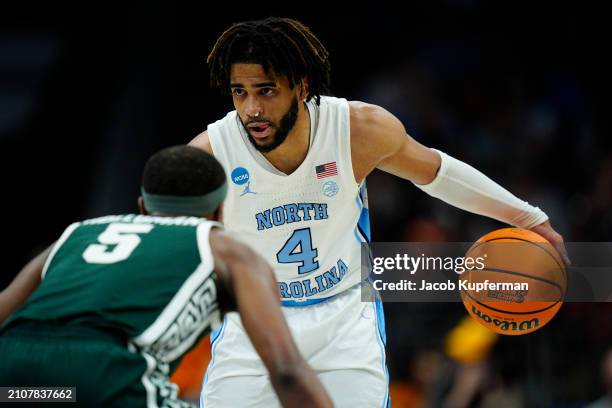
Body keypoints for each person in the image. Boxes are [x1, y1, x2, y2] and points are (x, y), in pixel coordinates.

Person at [190, 17, 569, 407]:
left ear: (301, 86)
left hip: (342, 318)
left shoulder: (357, 129)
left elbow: (439, 173)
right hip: (252, 321)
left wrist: (526, 216)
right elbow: (173, 246)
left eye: (265, 90)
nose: (251, 108)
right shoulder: (210, 154)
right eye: (240, 92)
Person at [0, 145, 333, 408]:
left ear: (143, 207)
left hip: (15, 377)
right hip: (105, 375)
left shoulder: (77, 234)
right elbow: (287, 371)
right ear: (218, 212)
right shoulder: (226, 248)